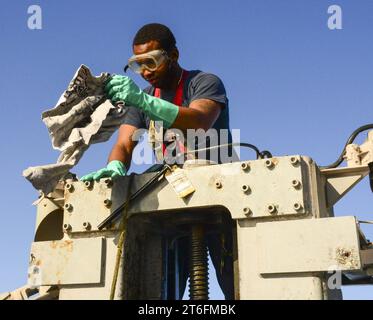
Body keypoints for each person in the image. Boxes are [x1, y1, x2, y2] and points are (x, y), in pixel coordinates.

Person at [81, 23, 234, 299]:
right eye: (138, 65)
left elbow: (199, 121)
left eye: (151, 62)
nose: (146, 72)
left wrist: (143, 102)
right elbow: (124, 144)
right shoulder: (141, 101)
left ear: (173, 55)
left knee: (236, 281)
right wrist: (115, 166)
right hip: (174, 198)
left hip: (220, 197)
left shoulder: (203, 83)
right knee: (162, 289)